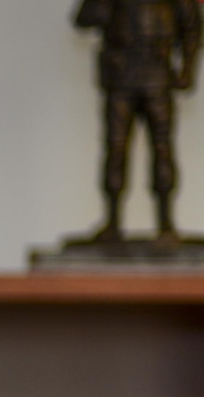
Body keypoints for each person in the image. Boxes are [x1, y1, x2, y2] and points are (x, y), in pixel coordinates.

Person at [75, 0, 201, 243]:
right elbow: (84, 19)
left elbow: (192, 25)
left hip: (157, 74)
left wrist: (188, 68)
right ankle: (113, 222)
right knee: (116, 147)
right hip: (120, 75)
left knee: (162, 148)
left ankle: (166, 224)